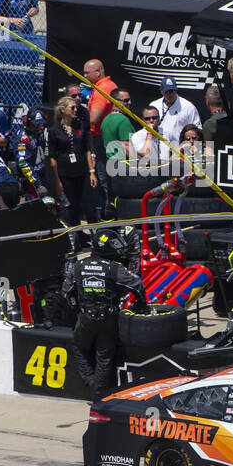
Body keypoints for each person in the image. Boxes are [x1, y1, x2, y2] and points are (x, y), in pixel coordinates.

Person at [63, 229, 147, 400]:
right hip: (109, 318)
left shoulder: (79, 265)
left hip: (85, 317)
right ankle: (99, 394)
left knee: (79, 347)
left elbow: (66, 292)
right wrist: (142, 306)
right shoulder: (113, 267)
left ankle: (91, 382)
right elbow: (137, 285)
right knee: (104, 357)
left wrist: (77, 308)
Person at [49, 96, 96, 232]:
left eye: (76, 107)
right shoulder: (54, 130)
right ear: (63, 110)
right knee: (72, 206)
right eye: (72, 107)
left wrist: (92, 171)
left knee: (89, 205)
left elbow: (87, 149)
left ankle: (96, 234)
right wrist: (57, 181)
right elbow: (52, 158)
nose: (76, 110)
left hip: (82, 170)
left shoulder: (79, 125)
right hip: (66, 173)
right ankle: (76, 236)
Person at [83, 60, 119, 212]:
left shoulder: (101, 90)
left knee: (103, 179)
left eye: (86, 73)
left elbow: (93, 118)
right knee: (114, 179)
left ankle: (106, 215)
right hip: (113, 139)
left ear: (97, 72)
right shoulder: (111, 85)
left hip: (101, 140)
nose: (84, 76)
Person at [150, 77, 201, 144]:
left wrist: (195, 151)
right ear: (161, 91)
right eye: (167, 92)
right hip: (159, 147)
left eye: (173, 91)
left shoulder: (188, 107)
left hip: (180, 148)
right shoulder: (154, 106)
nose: (170, 94)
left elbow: (198, 130)